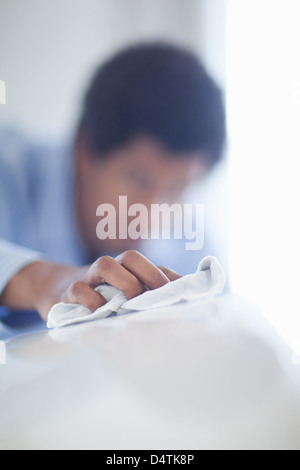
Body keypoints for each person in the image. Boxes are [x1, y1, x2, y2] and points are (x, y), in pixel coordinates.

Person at [0, 42, 226, 326]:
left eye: (176, 189)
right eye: (137, 179)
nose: (152, 213)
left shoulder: (191, 243)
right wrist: (42, 280)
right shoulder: (9, 172)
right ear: (84, 150)